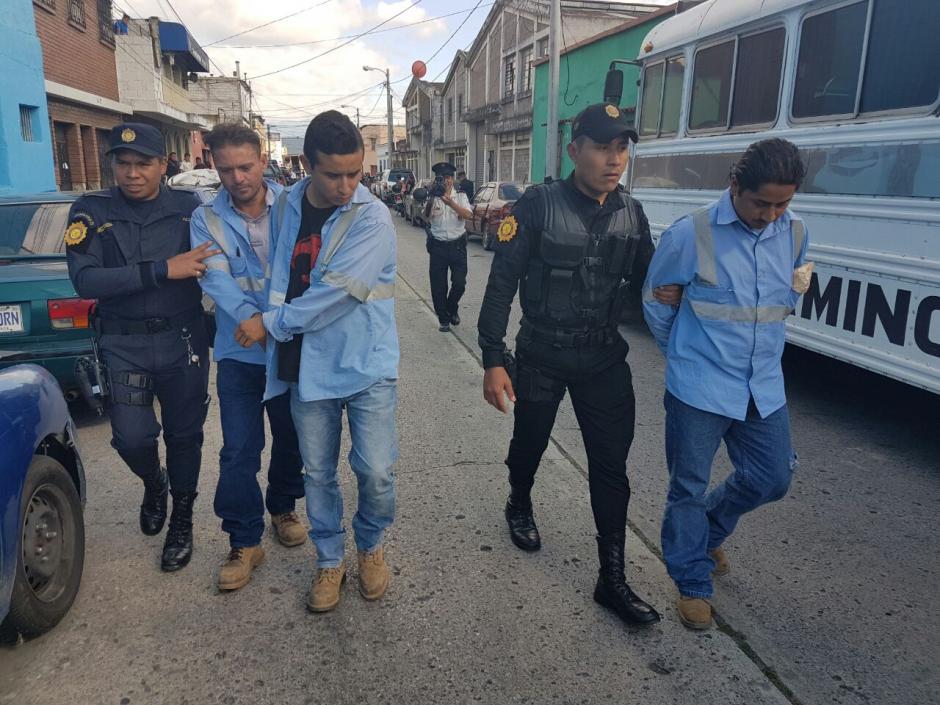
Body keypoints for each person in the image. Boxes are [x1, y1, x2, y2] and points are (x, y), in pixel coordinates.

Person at [477, 103, 681, 628]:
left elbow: (648, 282)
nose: (615, 160)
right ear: (574, 151)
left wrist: (675, 293)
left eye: (622, 148)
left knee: (611, 468)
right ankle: (519, 500)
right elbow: (501, 286)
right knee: (530, 442)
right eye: (602, 148)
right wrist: (493, 359)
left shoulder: (632, 214)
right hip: (542, 353)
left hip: (603, 358)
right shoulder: (537, 206)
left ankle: (611, 578)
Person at [234, 110, 399, 613]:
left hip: (365, 362)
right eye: (334, 175)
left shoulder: (372, 217)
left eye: (355, 173)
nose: (347, 186)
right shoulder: (286, 203)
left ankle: (370, 545)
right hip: (305, 365)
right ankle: (330, 559)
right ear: (307, 165)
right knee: (318, 474)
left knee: (376, 471)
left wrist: (271, 324)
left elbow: (339, 294)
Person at [642, 138, 811, 631]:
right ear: (735, 185)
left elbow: (784, 299)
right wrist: (683, 354)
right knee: (688, 488)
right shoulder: (690, 234)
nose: (770, 215)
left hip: (763, 385)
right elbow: (655, 302)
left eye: (782, 204)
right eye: (761, 203)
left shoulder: (795, 233)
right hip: (699, 386)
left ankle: (707, 532)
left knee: (772, 477)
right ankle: (692, 581)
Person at [66, 123, 218, 571]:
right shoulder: (91, 210)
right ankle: (155, 482)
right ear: (113, 164)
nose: (132, 173)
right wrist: (163, 269)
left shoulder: (189, 208)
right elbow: (85, 280)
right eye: (123, 163)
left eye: (143, 164)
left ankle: (182, 519)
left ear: (162, 165)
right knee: (131, 437)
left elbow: (220, 261)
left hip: (183, 339)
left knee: (185, 436)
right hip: (123, 342)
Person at [190, 123, 306, 592]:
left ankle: (282, 507)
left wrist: (274, 326)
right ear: (214, 167)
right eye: (226, 170)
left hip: (289, 346)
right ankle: (243, 539)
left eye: (245, 166)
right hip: (240, 353)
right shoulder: (205, 218)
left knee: (292, 437)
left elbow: (305, 272)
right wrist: (255, 326)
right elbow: (216, 280)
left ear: (262, 160)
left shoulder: (294, 206)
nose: (237, 178)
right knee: (238, 448)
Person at [425, 162, 473, 332]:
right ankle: (444, 319)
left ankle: (452, 307)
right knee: (438, 287)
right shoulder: (432, 196)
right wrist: (432, 198)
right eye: (442, 178)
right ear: (436, 179)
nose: (446, 181)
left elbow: (468, 215)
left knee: (459, 283)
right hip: (438, 246)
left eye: (448, 178)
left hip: (457, 245)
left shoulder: (460, 195)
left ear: (452, 179)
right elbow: (425, 217)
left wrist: (451, 203)